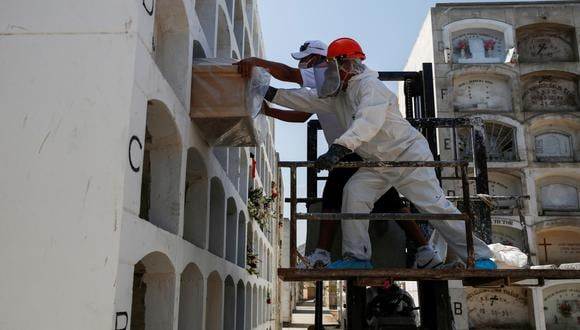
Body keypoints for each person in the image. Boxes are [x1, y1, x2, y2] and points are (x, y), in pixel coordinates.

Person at [260, 37, 495, 269]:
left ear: (347, 66)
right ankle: (357, 258)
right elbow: (307, 99)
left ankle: (480, 257)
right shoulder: (340, 94)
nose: (326, 74)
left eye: (331, 67)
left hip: (408, 158)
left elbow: (367, 122)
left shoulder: (369, 87)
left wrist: (338, 148)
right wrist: (268, 92)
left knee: (434, 207)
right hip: (378, 162)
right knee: (354, 193)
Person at [236, 41, 442, 269]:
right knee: (388, 199)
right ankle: (423, 249)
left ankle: (322, 254)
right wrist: (269, 108)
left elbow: (290, 74)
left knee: (334, 192)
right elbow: (303, 113)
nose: (303, 65)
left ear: (323, 59)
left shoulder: (325, 73)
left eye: (307, 60)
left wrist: (257, 64)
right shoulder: (330, 84)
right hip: (355, 147)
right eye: (302, 61)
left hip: (351, 146)